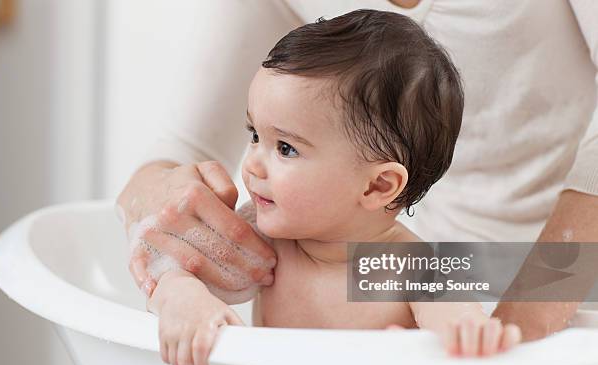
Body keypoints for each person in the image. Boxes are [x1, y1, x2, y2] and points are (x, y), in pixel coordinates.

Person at [116, 0, 598, 344]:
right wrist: (182, 300)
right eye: (254, 136)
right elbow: (177, 268)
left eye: (284, 148)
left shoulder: (406, 264)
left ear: (378, 185)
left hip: (549, 278)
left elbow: (461, 320)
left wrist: (468, 344)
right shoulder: (266, 242)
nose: (253, 164)